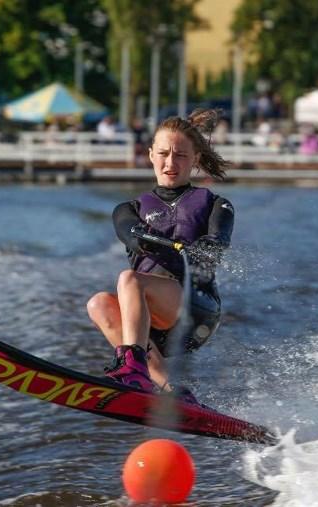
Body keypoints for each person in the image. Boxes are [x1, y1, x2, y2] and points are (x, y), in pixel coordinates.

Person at [86, 109, 234, 405]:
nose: (170, 163)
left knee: (129, 280)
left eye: (180, 155)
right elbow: (128, 231)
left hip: (196, 309)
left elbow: (218, 241)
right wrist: (144, 236)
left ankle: (132, 368)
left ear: (195, 159)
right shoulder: (129, 210)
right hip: (150, 322)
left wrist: (205, 247)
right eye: (164, 153)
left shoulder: (218, 205)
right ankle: (170, 391)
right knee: (98, 303)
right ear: (151, 155)